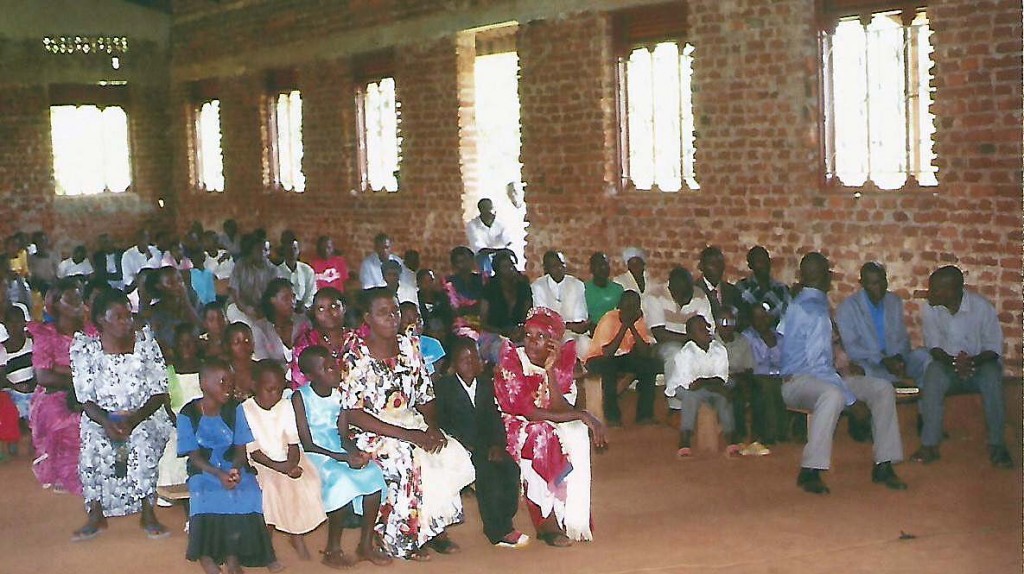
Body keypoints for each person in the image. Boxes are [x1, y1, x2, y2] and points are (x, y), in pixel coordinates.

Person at [340, 288, 474, 560]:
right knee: (405, 458)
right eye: (382, 313)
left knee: (446, 451)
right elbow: (353, 413)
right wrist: (410, 435)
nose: (392, 318)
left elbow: (424, 396)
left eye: (395, 311)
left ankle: (432, 527)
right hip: (372, 429)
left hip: (409, 421)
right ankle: (403, 537)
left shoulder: (409, 347)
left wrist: (432, 428)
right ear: (367, 318)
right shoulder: (355, 355)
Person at [781, 252, 906, 494]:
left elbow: (782, 334)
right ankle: (810, 470)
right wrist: (852, 400)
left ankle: (884, 463)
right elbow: (817, 367)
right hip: (799, 381)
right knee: (834, 396)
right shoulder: (814, 310)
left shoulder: (802, 303)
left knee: (882, 388)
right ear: (826, 277)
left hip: (820, 376)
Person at [493, 308, 606, 546]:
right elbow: (527, 411)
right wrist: (583, 415)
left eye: (541, 336)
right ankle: (546, 521)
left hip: (544, 419)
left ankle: (572, 515)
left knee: (574, 432)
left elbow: (559, 407)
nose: (532, 342)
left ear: (553, 342)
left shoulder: (560, 364)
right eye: (528, 335)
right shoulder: (512, 360)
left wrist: (550, 371)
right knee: (542, 433)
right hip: (511, 423)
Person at [69, 289, 174, 541]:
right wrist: (106, 421)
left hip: (143, 414)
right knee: (93, 442)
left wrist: (134, 419)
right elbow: (85, 398)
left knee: (143, 440)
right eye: (118, 317)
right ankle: (96, 512)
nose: (127, 321)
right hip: (101, 417)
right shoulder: (85, 349)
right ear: (101, 320)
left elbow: (159, 391)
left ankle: (148, 511)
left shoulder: (145, 342)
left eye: (128, 315)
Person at [294, 346, 391, 568]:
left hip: (337, 448)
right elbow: (307, 443)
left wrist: (355, 453)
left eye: (333, 365)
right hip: (316, 454)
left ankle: (365, 544)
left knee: (373, 474)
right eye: (327, 368)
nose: (334, 370)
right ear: (311, 376)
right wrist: (341, 458)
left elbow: (343, 435)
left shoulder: (340, 395)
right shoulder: (300, 397)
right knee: (341, 481)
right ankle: (332, 548)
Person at [179, 358, 279, 573]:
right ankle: (206, 555)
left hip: (232, 465)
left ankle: (233, 555)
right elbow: (194, 456)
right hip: (204, 469)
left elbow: (241, 451)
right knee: (205, 493)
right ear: (204, 384)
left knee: (248, 492)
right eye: (222, 382)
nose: (229, 388)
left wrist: (233, 470)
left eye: (231, 383)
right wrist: (218, 474)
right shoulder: (188, 413)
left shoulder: (235, 409)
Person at [911, 265, 1011, 468]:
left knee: (993, 373)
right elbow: (935, 348)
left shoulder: (981, 307)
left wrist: (972, 362)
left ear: (953, 291)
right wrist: (956, 363)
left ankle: (997, 445)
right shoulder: (930, 309)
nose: (930, 293)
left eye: (936, 289)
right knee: (933, 372)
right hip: (947, 367)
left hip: (979, 367)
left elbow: (993, 348)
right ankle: (930, 445)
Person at [435, 338, 528, 548]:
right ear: (453, 364)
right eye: (463, 359)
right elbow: (442, 422)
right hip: (462, 446)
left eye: (474, 358)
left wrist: (497, 444)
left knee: (510, 469)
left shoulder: (485, 385)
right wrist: (469, 446)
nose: (469, 363)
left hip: (487, 444)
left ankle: (505, 517)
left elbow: (494, 418)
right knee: (488, 475)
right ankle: (498, 530)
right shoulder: (445, 388)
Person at [241, 361, 327, 562]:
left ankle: (296, 535)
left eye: (279, 390)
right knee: (271, 491)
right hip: (263, 463)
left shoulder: (285, 405)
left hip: (288, 458)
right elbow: (253, 452)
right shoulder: (245, 410)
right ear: (254, 386)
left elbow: (293, 441)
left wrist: (291, 463)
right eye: (269, 390)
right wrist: (282, 468)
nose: (275, 395)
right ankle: (266, 544)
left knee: (307, 483)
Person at [28, 279, 85, 494]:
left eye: (79, 297)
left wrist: (62, 370)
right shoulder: (46, 334)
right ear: (56, 305)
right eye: (71, 299)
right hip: (55, 393)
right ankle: (66, 472)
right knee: (62, 417)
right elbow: (43, 375)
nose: (78, 302)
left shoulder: (91, 330)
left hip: (90, 389)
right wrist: (79, 378)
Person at [836, 262, 931, 387]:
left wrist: (898, 358)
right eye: (874, 283)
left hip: (896, 361)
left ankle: (920, 397)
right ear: (862, 284)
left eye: (882, 281)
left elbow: (902, 337)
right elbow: (852, 348)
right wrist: (882, 360)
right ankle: (897, 385)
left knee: (924, 357)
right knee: (861, 371)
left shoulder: (894, 301)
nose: (879, 287)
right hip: (870, 363)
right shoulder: (848, 307)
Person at [664, 315, 740, 458]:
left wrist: (710, 383)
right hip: (683, 387)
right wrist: (713, 384)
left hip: (709, 385)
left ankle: (731, 439)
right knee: (692, 398)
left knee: (724, 398)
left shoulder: (719, 349)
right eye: (700, 329)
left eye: (706, 327)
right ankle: (685, 440)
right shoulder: (685, 353)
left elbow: (722, 377)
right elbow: (691, 384)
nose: (706, 331)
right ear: (691, 335)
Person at [584, 290, 659, 426]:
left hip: (621, 358)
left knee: (649, 365)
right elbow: (608, 352)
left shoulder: (638, 321)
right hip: (598, 358)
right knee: (609, 367)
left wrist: (632, 326)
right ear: (619, 305)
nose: (630, 309)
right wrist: (624, 326)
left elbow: (644, 352)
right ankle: (612, 417)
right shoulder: (609, 318)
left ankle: (644, 415)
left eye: (634, 306)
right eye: (627, 306)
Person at [647, 267, 714, 409]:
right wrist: (690, 338)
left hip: (695, 342)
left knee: (717, 349)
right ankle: (676, 407)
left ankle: (708, 405)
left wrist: (697, 340)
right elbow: (659, 334)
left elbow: (709, 328)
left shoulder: (699, 295)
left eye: (688, 294)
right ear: (671, 290)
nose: (686, 300)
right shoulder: (655, 295)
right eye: (683, 296)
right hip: (662, 346)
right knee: (676, 353)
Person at [157, 324, 203, 509]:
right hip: (179, 425)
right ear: (174, 347)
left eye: (191, 344)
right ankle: (173, 494)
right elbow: (167, 406)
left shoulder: (204, 370)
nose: (186, 348)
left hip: (205, 421)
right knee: (171, 457)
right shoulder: (169, 373)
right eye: (181, 344)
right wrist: (182, 425)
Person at [531, 250, 591, 359]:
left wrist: (570, 326)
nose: (559, 268)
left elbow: (580, 318)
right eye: (554, 266)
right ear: (546, 269)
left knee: (585, 345)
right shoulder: (538, 286)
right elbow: (543, 317)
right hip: (548, 334)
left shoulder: (577, 285)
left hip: (574, 334)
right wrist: (567, 325)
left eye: (561, 264)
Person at [743, 303, 787, 443]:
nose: (762, 321)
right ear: (751, 320)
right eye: (757, 318)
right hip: (755, 377)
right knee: (768, 386)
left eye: (765, 317)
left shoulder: (779, 337)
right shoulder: (747, 337)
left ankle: (785, 431)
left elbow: (786, 361)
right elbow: (751, 365)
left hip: (778, 376)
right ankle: (771, 434)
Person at [479, 250, 532, 363]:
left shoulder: (523, 286)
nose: (510, 269)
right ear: (497, 269)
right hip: (494, 333)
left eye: (512, 265)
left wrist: (521, 329)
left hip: (519, 332)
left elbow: (528, 314)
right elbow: (483, 322)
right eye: (505, 267)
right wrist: (503, 331)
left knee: (532, 348)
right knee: (501, 350)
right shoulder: (490, 288)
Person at [290, 288, 348, 388]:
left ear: (344, 308)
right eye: (321, 309)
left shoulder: (356, 338)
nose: (328, 313)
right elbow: (301, 384)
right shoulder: (304, 345)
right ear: (314, 313)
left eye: (334, 306)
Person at [251, 279, 309, 376]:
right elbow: (264, 364)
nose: (292, 302)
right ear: (272, 300)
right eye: (286, 298)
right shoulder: (259, 329)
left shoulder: (302, 321)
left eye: (293, 297)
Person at [147, 266, 201, 357]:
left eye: (180, 280)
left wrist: (185, 301)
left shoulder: (192, 300)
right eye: (171, 283)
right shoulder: (156, 312)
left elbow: (200, 327)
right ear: (159, 286)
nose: (178, 285)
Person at [736, 246, 791, 327]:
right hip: (749, 337)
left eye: (766, 260)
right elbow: (738, 318)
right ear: (750, 265)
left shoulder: (782, 289)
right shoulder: (742, 287)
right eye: (759, 261)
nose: (764, 264)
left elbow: (787, 317)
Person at [2, 305, 35, 426]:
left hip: (35, 392)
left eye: (18, 321)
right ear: (5, 325)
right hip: (13, 395)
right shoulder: (2, 350)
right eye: (11, 322)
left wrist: (32, 385)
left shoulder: (32, 342)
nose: (15, 326)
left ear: (24, 323)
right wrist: (15, 387)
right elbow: (1, 379)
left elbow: (40, 368)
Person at [444, 246, 485, 338]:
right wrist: (477, 306)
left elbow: (487, 306)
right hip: (461, 326)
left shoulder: (482, 280)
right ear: (454, 265)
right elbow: (455, 310)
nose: (464, 265)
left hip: (484, 325)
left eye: (467, 260)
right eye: (460, 262)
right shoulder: (449, 283)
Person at [466, 198, 513, 276]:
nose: (489, 212)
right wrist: (498, 251)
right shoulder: (472, 225)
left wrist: (505, 251)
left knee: (507, 262)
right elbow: (479, 248)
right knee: (484, 259)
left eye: (490, 209)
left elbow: (508, 241)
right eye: (485, 210)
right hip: (482, 256)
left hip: (501, 254)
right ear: (480, 211)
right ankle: (487, 279)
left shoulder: (501, 223)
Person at [696, 246, 742, 325]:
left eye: (720, 264)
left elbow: (740, 319)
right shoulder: (694, 290)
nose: (717, 268)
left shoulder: (732, 291)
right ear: (701, 266)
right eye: (712, 264)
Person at [398, 301, 446, 377]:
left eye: (418, 320)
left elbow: (438, 375)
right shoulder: (396, 348)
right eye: (409, 321)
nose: (416, 325)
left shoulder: (433, 344)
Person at [613, 247, 660, 316]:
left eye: (638, 263)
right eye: (632, 264)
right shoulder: (620, 281)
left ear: (643, 263)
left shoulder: (652, 281)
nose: (636, 266)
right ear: (628, 265)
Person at [584, 252, 624, 325]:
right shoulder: (584, 289)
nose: (603, 268)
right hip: (591, 331)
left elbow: (623, 315)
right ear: (591, 269)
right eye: (598, 265)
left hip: (613, 330)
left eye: (605, 264)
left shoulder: (618, 289)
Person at [276, 239, 316, 311]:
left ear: (298, 251)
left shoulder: (307, 270)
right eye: (288, 250)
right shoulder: (277, 271)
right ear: (283, 252)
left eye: (294, 249)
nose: (291, 252)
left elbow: (312, 293)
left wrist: (305, 306)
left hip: (305, 311)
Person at [416, 268, 453, 342]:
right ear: (418, 283)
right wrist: (428, 332)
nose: (428, 284)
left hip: (444, 336)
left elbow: (449, 317)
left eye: (431, 280)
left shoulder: (442, 297)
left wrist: (443, 331)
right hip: (423, 337)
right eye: (424, 281)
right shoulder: (415, 299)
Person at [225, 322, 258, 402]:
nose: (243, 346)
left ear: (253, 344)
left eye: (247, 341)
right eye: (237, 342)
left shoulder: (261, 369)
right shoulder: (223, 372)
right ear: (228, 346)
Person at [202, 230, 235, 300]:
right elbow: (209, 272)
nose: (204, 243)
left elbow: (231, 270)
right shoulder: (204, 257)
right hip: (216, 289)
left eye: (208, 241)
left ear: (215, 241)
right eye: (204, 241)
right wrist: (220, 261)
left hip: (229, 283)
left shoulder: (224, 253)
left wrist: (217, 275)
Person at [27, 231, 59, 295]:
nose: (42, 244)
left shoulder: (53, 257)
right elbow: (31, 274)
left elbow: (56, 273)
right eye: (39, 242)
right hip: (37, 285)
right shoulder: (31, 258)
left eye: (43, 242)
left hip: (50, 285)